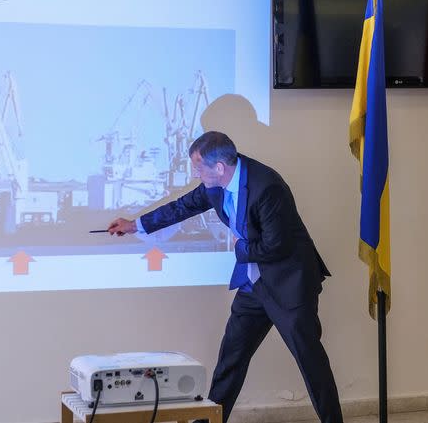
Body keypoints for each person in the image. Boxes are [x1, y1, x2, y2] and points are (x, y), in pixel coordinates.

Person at [107, 131, 343, 423]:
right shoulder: (215, 183)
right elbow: (183, 206)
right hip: (253, 285)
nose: (195, 174)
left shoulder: (267, 187)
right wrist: (135, 225)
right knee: (231, 358)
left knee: (311, 362)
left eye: (198, 168)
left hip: (289, 283)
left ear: (219, 167)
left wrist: (240, 247)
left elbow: (276, 246)